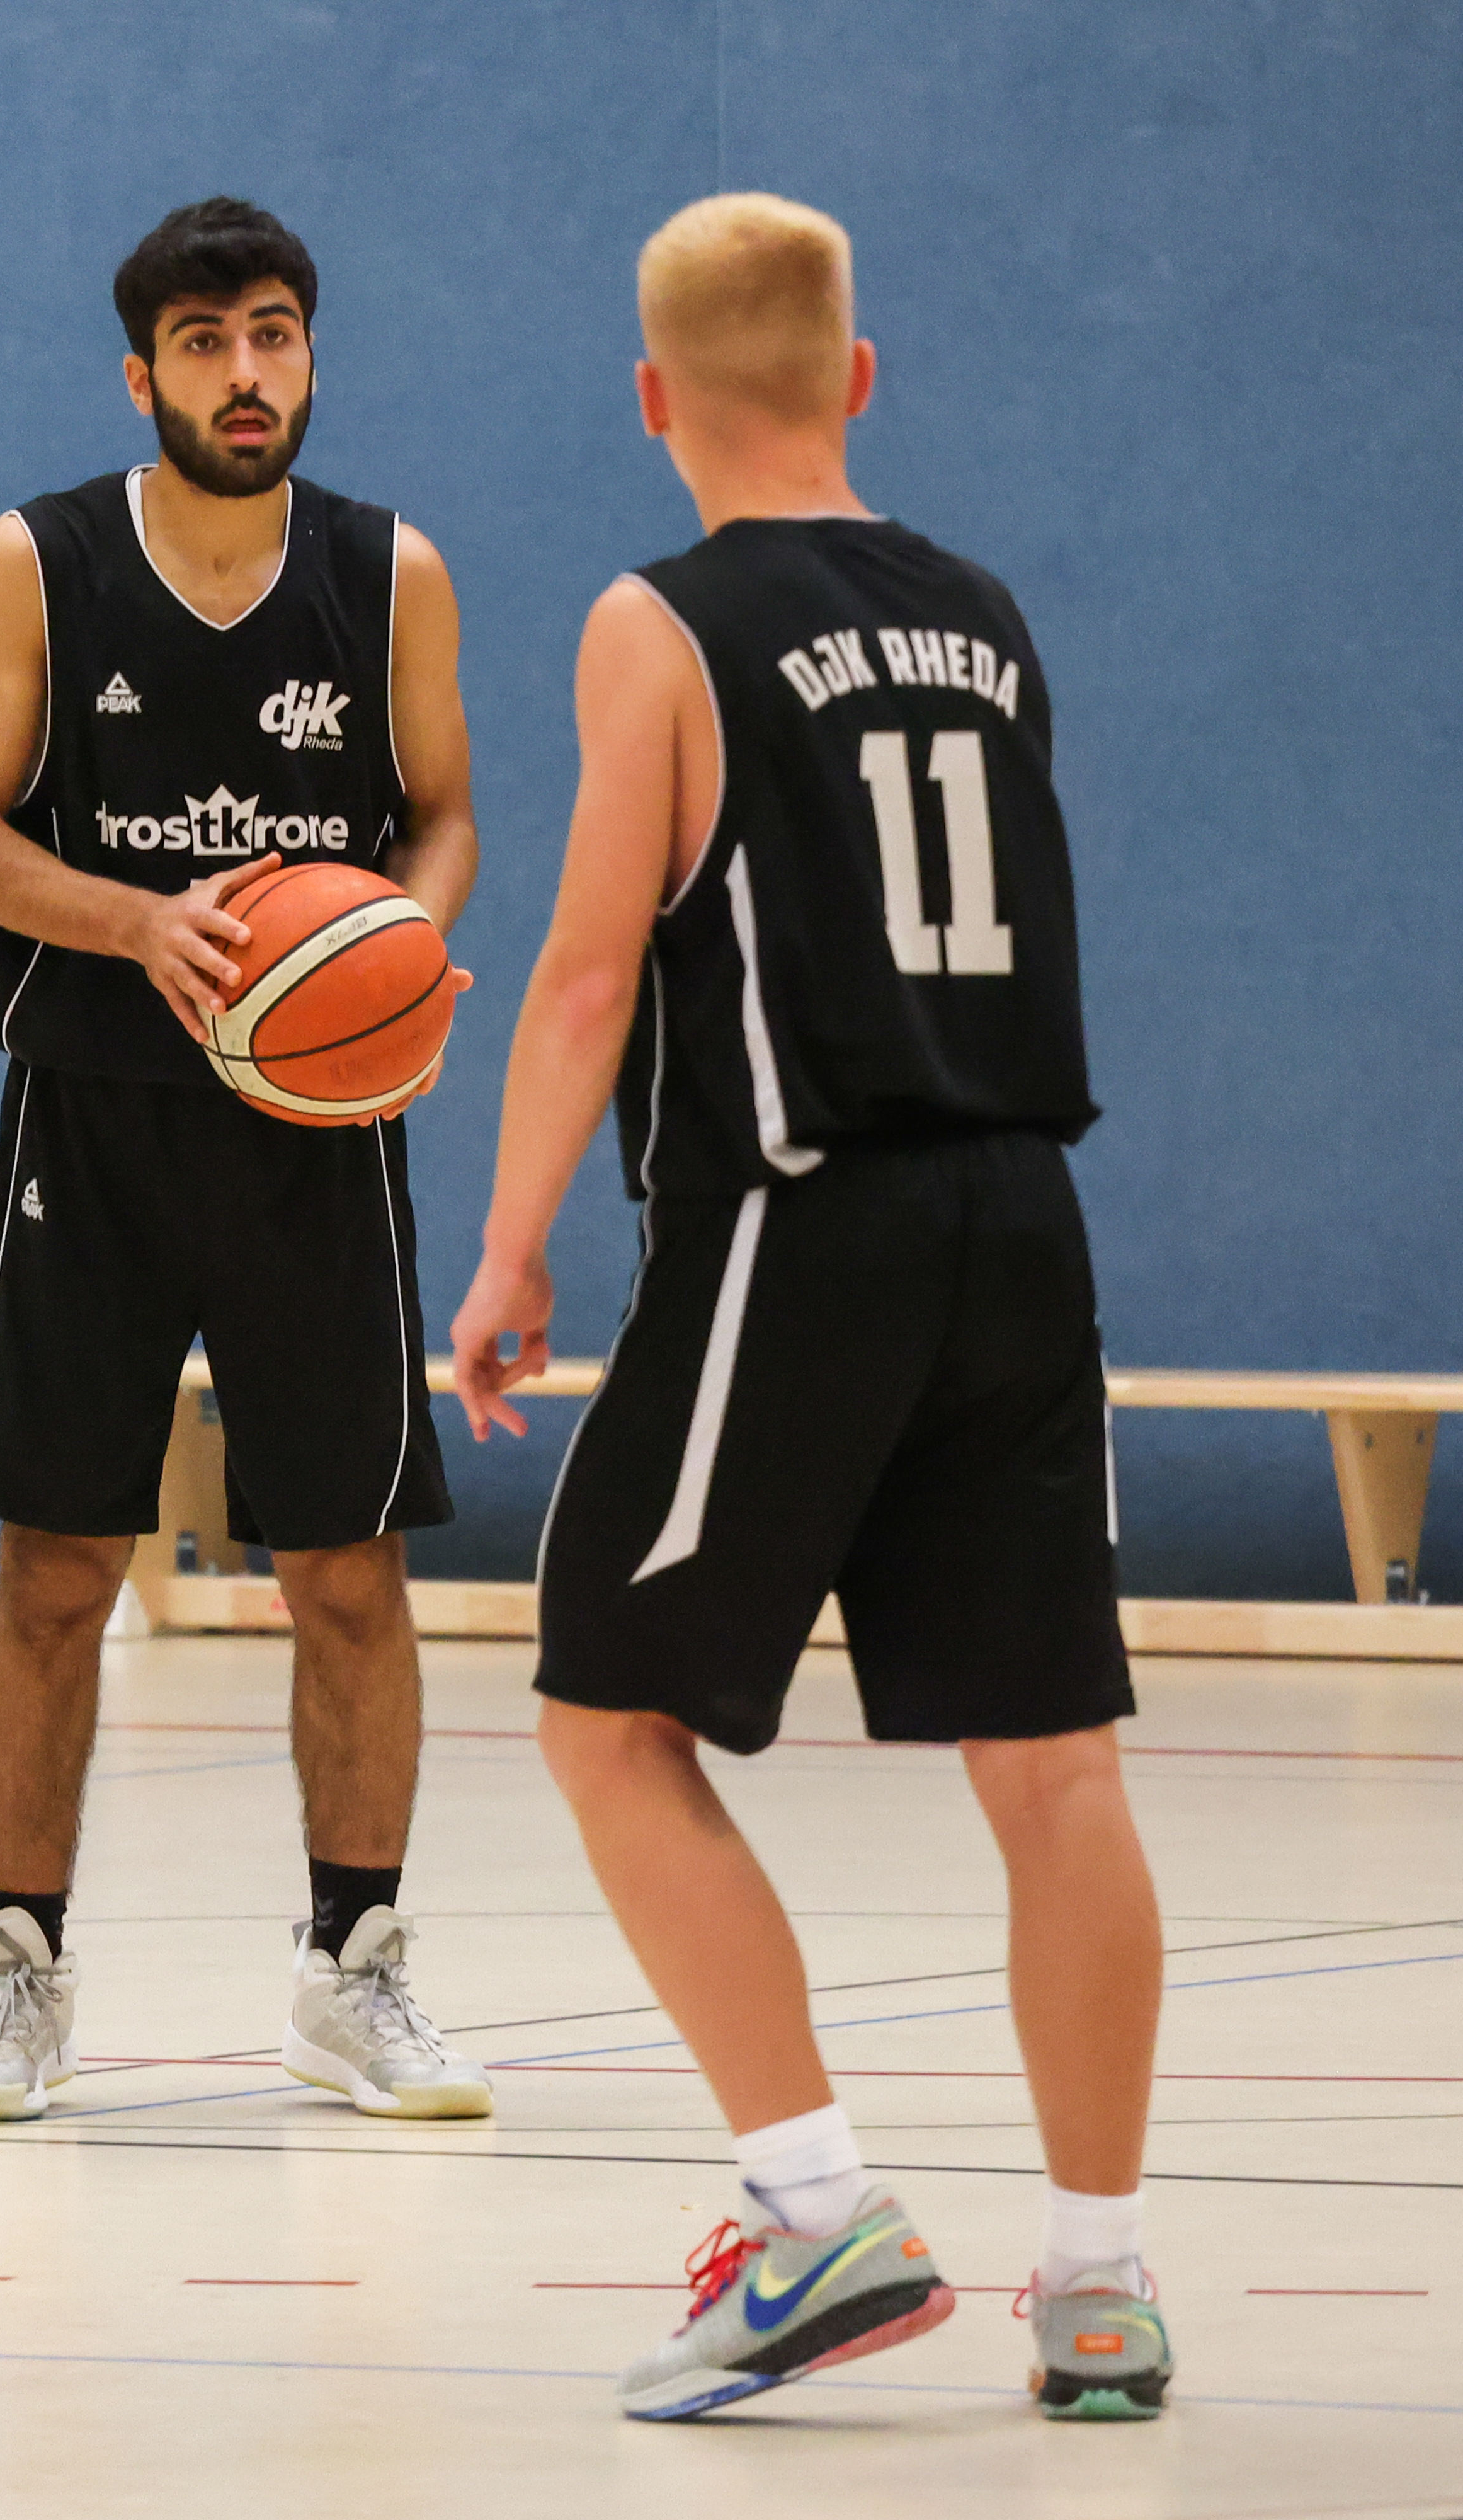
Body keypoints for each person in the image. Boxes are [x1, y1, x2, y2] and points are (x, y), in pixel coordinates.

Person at [452, 194, 1171, 2420]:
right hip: (1023, 1218)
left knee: (606, 1722)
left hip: (799, 1220)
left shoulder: (660, 621)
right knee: (1057, 1769)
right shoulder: (987, 616)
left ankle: (815, 2208)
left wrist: (509, 1245)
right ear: (858, 377)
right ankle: (1102, 2284)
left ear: (651, 398)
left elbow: (589, 971)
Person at [0, 197, 490, 2125]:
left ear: (308, 353)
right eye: (204, 341)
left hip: (318, 1141)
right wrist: (136, 922)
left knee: (349, 1568)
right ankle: (18, 1973)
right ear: (141, 373)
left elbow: (445, 818)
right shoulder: (41, 562)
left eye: (273, 333)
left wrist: (394, 951)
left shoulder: (391, 572)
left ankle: (355, 1970)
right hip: (90, 1121)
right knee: (57, 1566)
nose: (246, 373)